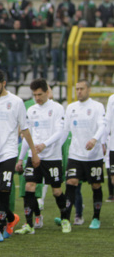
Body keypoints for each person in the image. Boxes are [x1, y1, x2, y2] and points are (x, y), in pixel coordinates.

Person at [0, 69, 39, 242]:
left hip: (8, 152)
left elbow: (24, 129)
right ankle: (11, 218)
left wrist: (34, 152)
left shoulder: (16, 102)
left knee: (4, 189)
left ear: (4, 83)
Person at [15, 78, 68, 235]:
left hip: (52, 157)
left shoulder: (57, 108)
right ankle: (29, 224)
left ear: (47, 92)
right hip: (34, 157)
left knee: (57, 191)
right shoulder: (31, 110)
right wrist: (21, 158)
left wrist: (45, 144)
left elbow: (59, 132)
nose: (37, 98)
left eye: (40, 94)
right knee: (29, 187)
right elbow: (27, 136)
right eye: (34, 95)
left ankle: (65, 219)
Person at [59, 80, 107, 232]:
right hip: (75, 154)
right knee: (71, 182)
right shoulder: (71, 107)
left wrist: (94, 139)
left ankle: (96, 218)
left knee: (96, 185)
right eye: (77, 89)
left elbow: (102, 125)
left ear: (89, 90)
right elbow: (65, 130)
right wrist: (57, 149)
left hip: (94, 155)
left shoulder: (97, 107)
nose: (79, 91)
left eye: (82, 89)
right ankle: (66, 218)